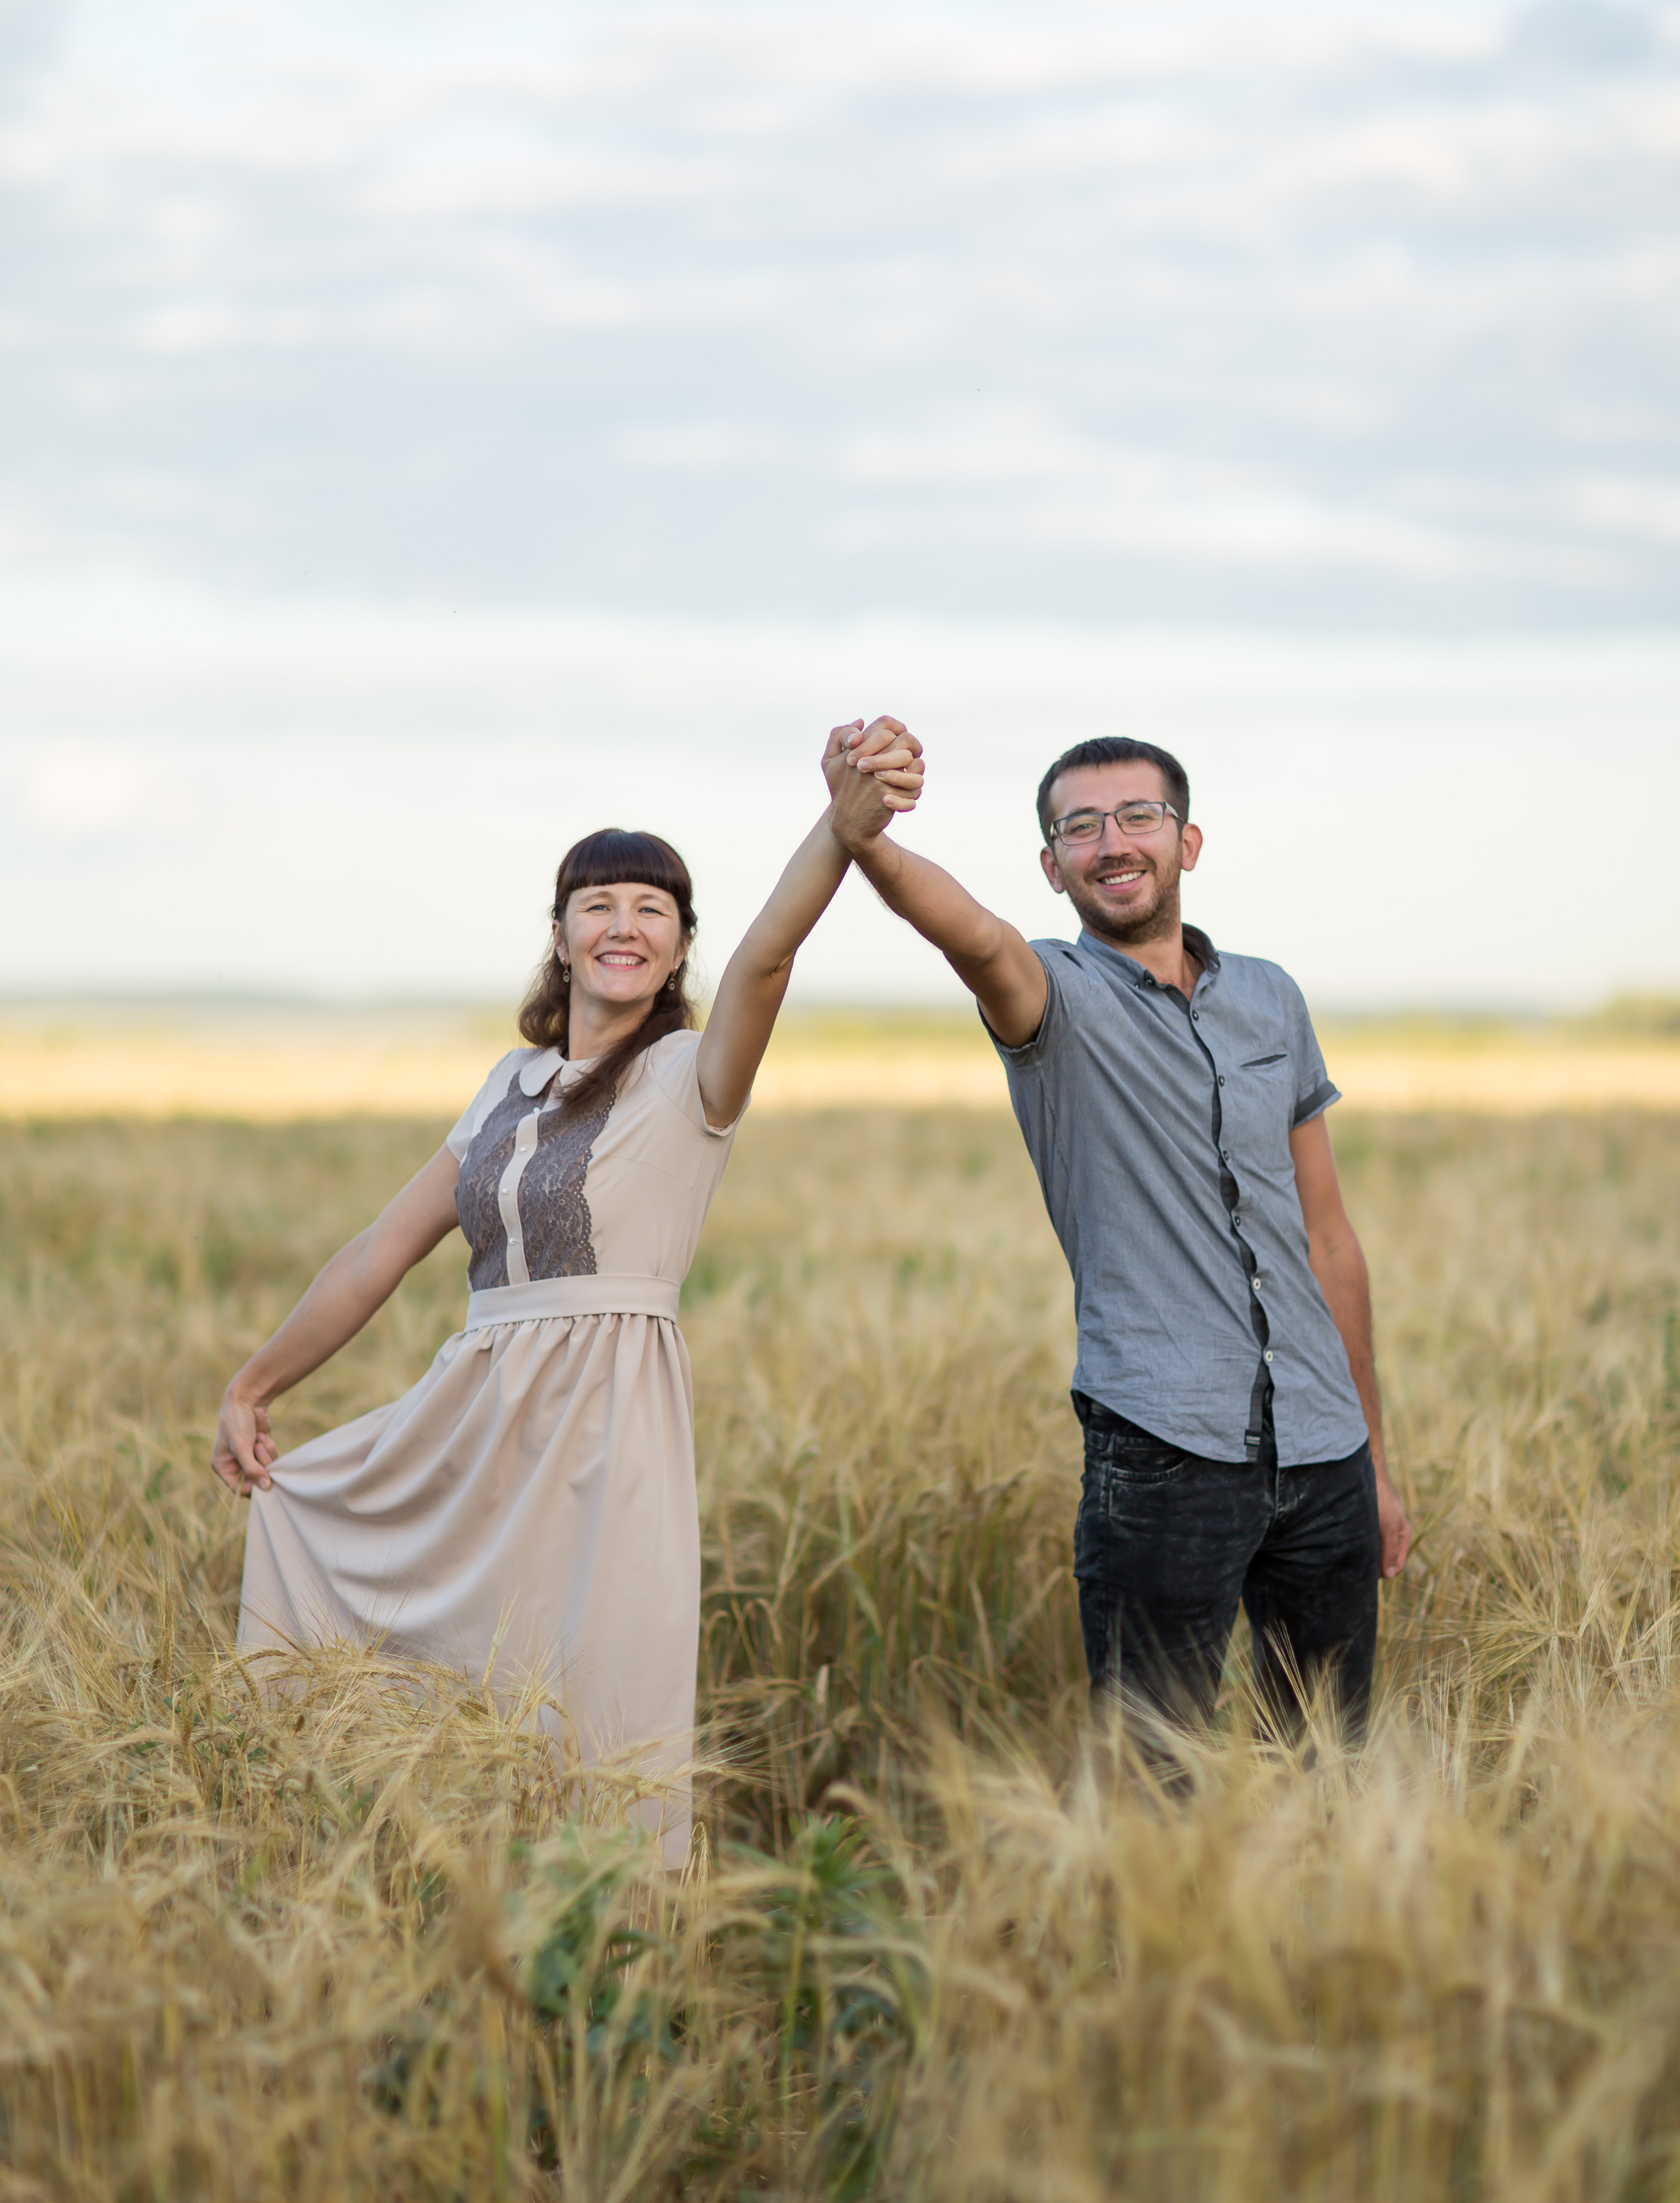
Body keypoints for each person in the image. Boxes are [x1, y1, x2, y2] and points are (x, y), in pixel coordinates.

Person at [213, 717, 923, 1864]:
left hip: (606, 1427)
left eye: (653, 908)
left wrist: (839, 831)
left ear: (680, 946)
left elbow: (767, 960)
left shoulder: (691, 1077)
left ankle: (617, 1939)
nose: (623, 925)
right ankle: (415, 1891)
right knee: (438, 1685)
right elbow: (382, 1249)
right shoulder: (510, 1083)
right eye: (599, 904)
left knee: (601, 1704)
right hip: (473, 1423)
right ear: (560, 935)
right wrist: (255, 1384)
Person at [827, 727, 1412, 1754]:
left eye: (1139, 816)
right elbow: (974, 936)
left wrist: (1372, 1460)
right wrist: (867, 839)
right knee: (1153, 1780)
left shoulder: (1271, 997)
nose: (1112, 843)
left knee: (1331, 1765)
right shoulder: (1052, 996)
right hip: (1164, 1452)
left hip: (1326, 1451)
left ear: (1188, 842)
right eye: (1081, 828)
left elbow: (1328, 1238)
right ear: (1052, 866)